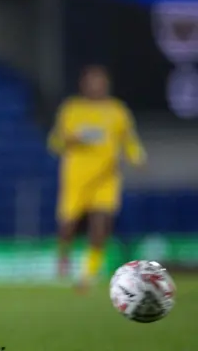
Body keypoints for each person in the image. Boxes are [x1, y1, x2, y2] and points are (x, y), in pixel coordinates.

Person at [48, 65, 146, 290]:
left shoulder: (117, 110)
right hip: (76, 178)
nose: (97, 86)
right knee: (68, 226)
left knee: (100, 226)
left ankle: (87, 275)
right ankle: (62, 262)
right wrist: (73, 139)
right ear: (84, 85)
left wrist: (137, 157)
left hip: (106, 178)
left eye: (100, 81)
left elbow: (128, 140)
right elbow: (55, 143)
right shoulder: (72, 109)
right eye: (92, 81)